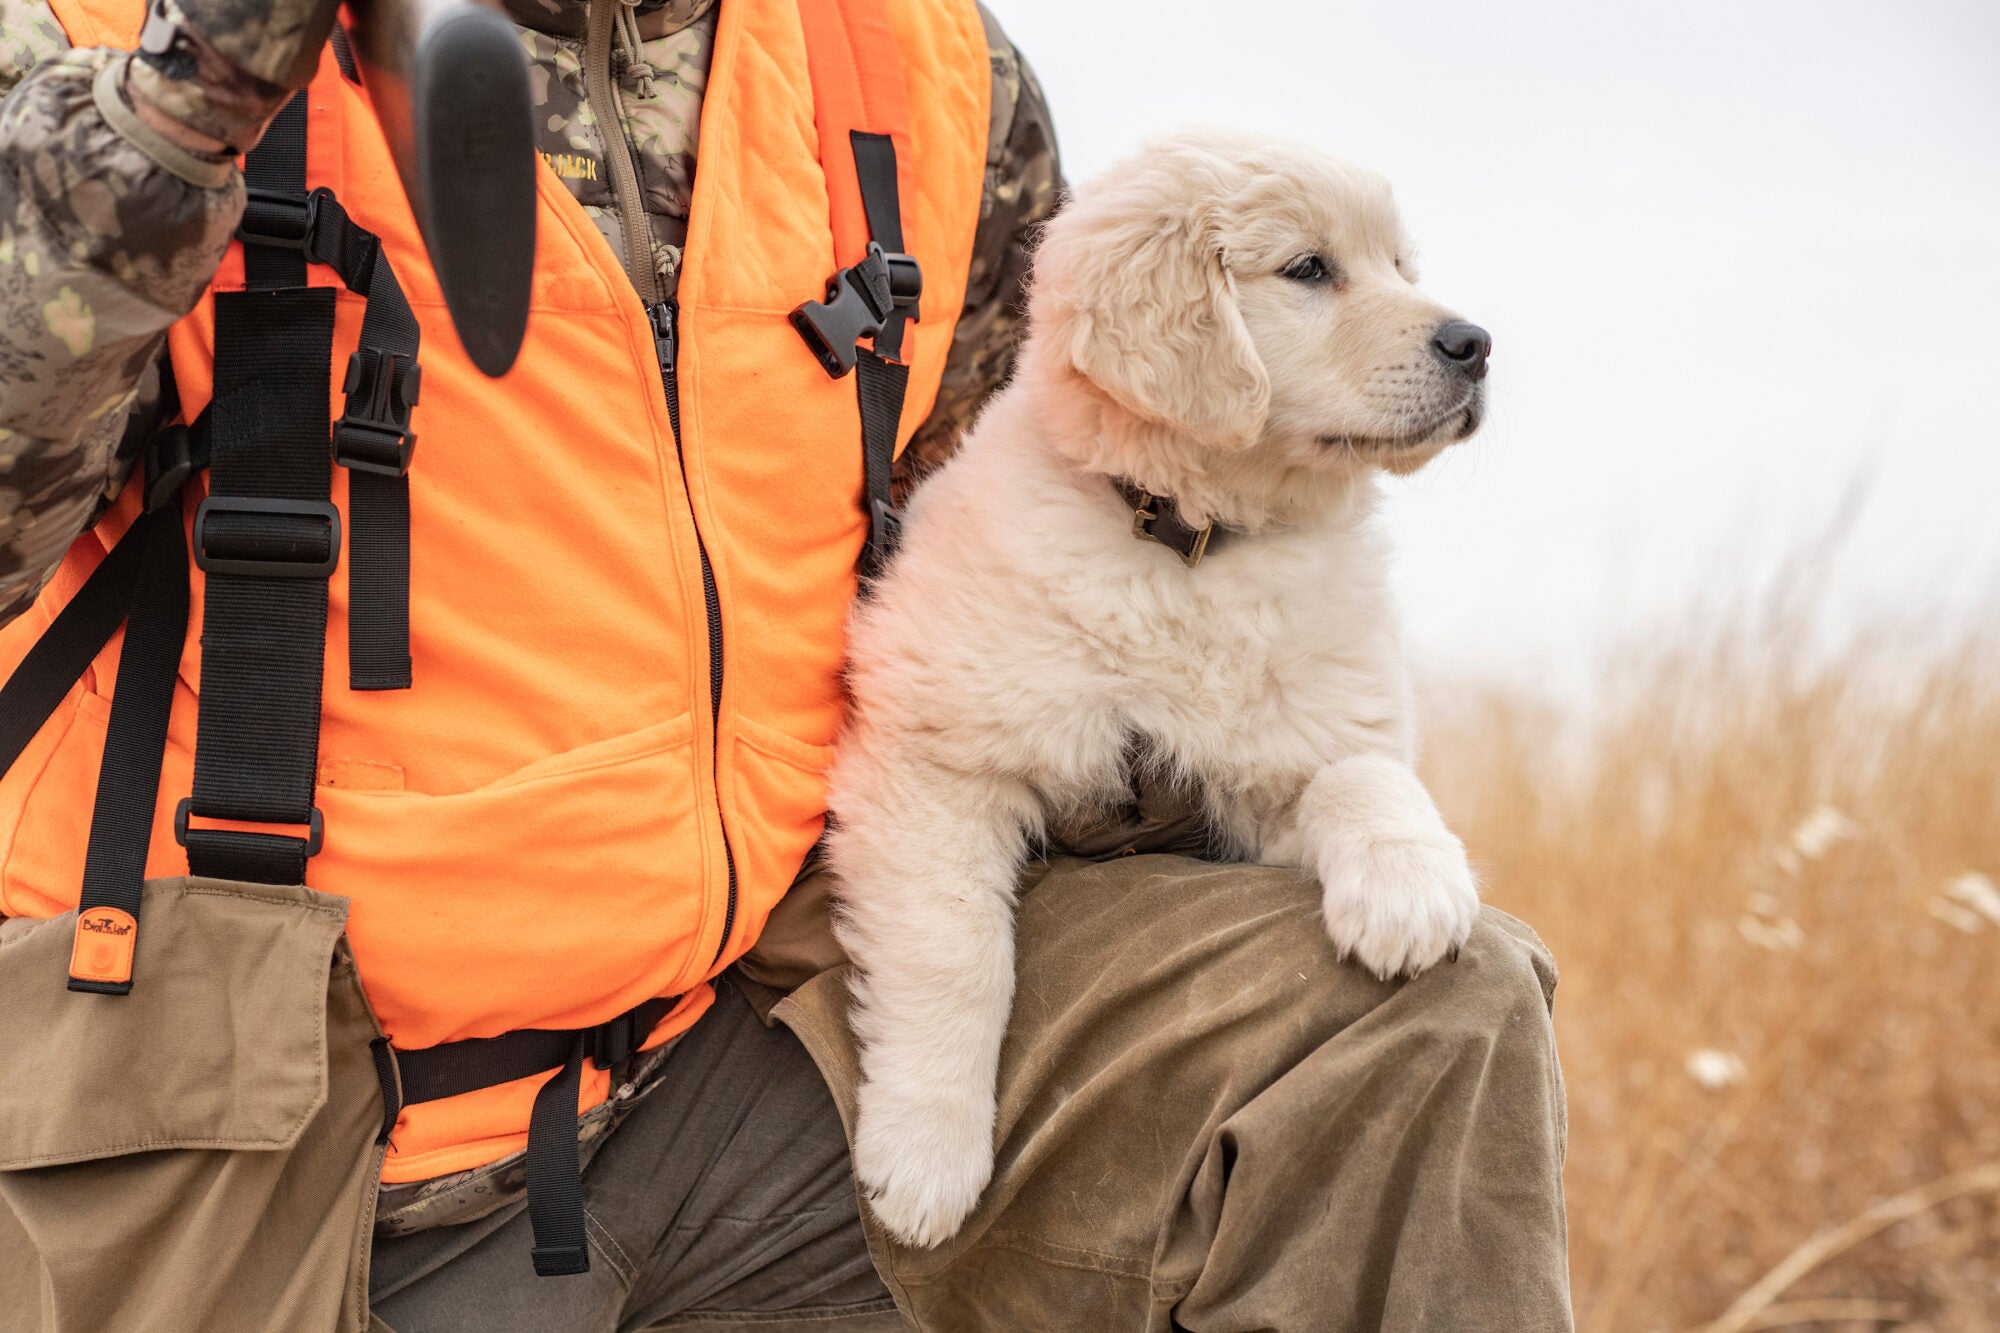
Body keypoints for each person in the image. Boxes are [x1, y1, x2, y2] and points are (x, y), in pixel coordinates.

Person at [0, 0, 1575, 1328]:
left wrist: (1265, 750)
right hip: (280, 1135)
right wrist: (195, 90)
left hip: (753, 1049)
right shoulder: (90, 32)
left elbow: (1077, 488)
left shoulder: (912, 62)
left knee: (1421, 1013)